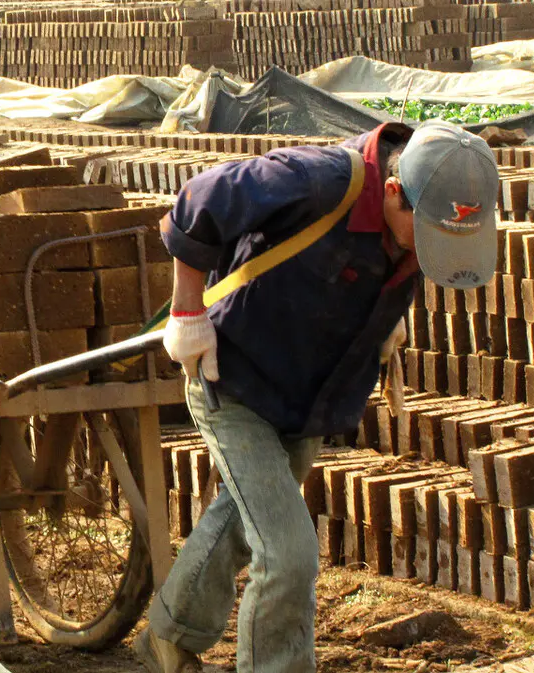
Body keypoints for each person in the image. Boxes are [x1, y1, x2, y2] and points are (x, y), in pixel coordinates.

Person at [138, 120, 499, 673]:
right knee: (288, 554)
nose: (428, 247)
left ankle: (169, 634)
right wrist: (187, 307)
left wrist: (385, 322)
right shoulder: (319, 180)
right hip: (233, 377)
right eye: (424, 230)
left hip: (309, 395)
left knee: (241, 520)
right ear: (395, 190)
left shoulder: (418, 214)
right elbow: (199, 200)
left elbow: (394, 265)